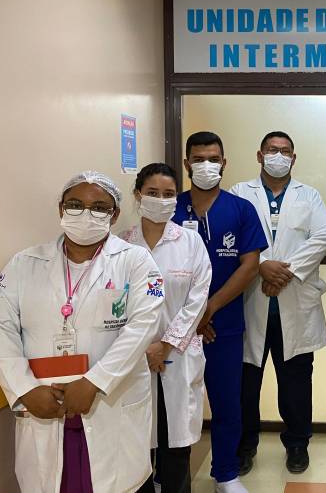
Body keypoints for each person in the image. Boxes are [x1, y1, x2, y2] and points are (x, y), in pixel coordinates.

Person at [0, 171, 164, 493]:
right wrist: (24, 389)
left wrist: (96, 381)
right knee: (52, 482)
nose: (86, 214)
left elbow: (143, 326)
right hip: (44, 403)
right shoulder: (24, 264)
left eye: (99, 208)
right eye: (75, 204)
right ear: (61, 209)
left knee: (117, 483)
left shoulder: (136, 261)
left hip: (110, 404)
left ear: (114, 215)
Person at [230, 131, 326, 475]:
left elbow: (322, 237)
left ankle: (298, 444)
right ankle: (245, 446)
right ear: (259, 155)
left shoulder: (309, 195)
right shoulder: (240, 193)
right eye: (272, 150)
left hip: (293, 301)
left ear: (293, 158)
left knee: (296, 384)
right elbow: (233, 238)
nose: (279, 155)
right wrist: (260, 266)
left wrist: (284, 273)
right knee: (246, 384)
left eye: (285, 151)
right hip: (250, 302)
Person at [171, 131, 267, 493]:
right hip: (175, 326)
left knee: (227, 402)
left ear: (224, 163)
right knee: (174, 403)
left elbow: (250, 265)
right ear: (186, 164)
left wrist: (208, 309)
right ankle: (168, 474)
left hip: (223, 323)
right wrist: (190, 316)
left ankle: (226, 473)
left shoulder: (240, 209)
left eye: (213, 159)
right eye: (198, 159)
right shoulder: (171, 209)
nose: (206, 165)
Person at [122, 163, 212, 493]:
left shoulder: (191, 242)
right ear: (138, 195)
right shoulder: (121, 245)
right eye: (152, 193)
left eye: (168, 194)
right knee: (137, 445)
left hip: (178, 355)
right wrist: (143, 348)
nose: (161, 200)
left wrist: (166, 344)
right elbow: (114, 304)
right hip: (134, 358)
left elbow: (198, 300)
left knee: (176, 446)